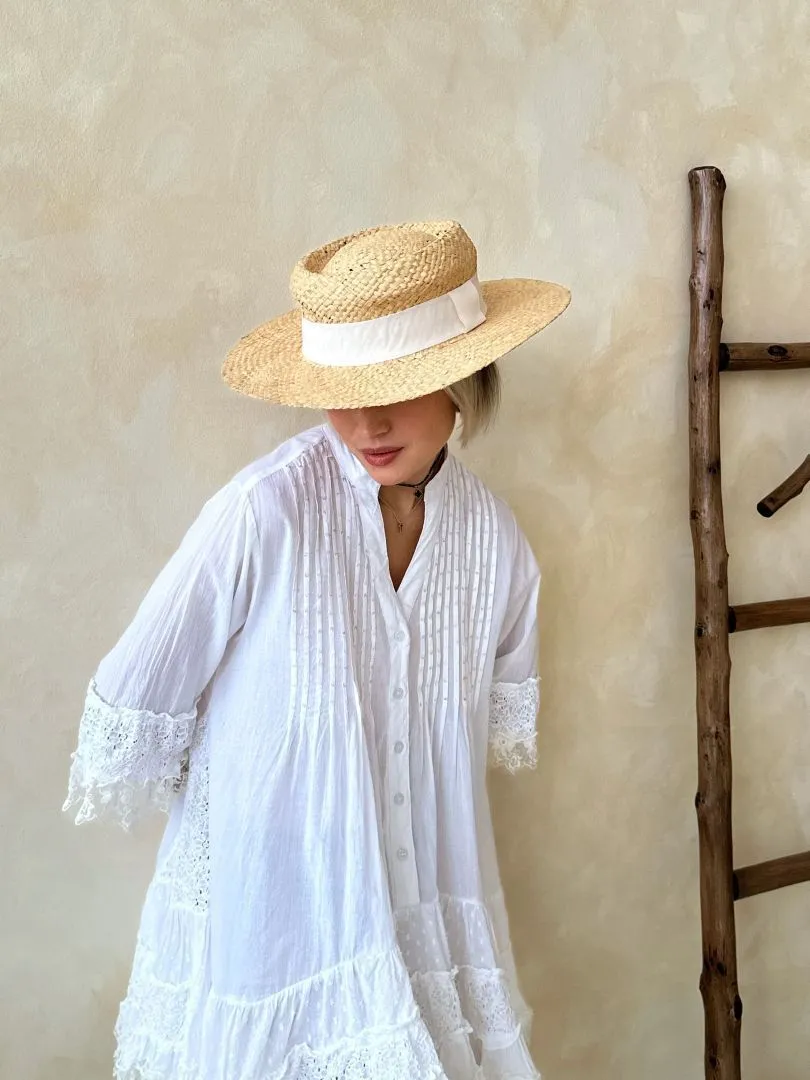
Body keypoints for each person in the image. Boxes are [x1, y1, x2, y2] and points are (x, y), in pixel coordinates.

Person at [63, 219, 570, 1080]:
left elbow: (465, 738)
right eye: (343, 389)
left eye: (396, 385)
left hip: (423, 920)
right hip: (274, 929)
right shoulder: (264, 513)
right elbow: (135, 697)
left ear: (462, 378)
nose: (367, 421)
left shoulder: (497, 544)